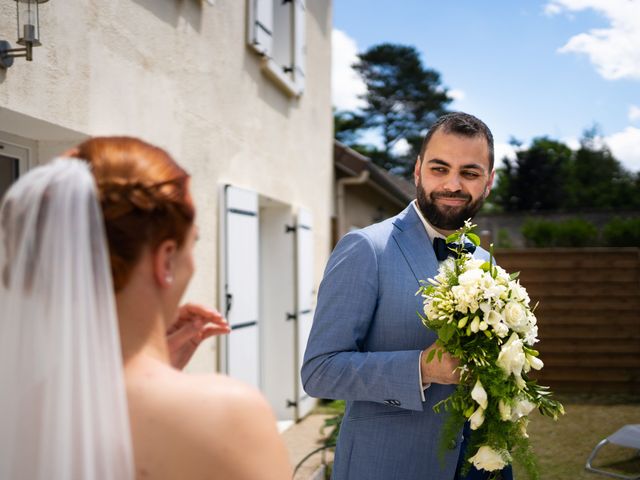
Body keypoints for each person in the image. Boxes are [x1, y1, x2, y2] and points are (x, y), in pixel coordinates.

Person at [0, 137, 292, 480]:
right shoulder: (229, 412)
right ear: (166, 258)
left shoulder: (29, 409)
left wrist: (159, 365)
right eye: (192, 243)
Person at [301, 112, 513, 479]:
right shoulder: (366, 248)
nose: (453, 184)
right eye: (439, 168)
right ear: (417, 171)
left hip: (481, 463)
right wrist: (422, 369)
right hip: (390, 464)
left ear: (488, 182)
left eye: (470, 172)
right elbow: (320, 371)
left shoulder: (485, 261)